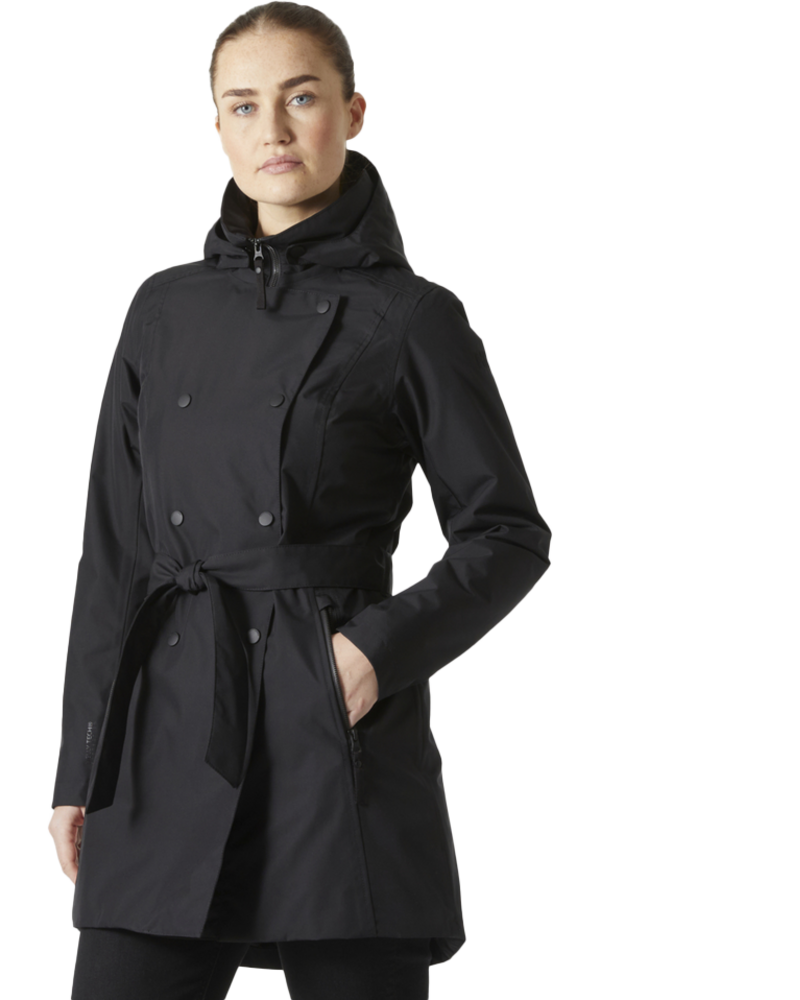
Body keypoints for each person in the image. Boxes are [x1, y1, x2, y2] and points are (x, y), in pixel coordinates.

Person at [49, 3, 552, 998]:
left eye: (302, 97)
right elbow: (113, 555)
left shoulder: (414, 316)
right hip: (163, 735)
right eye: (244, 105)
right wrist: (79, 770)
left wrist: (369, 654)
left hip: (329, 733)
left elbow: (507, 534)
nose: (273, 130)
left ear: (353, 112)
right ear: (217, 127)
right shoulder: (161, 308)